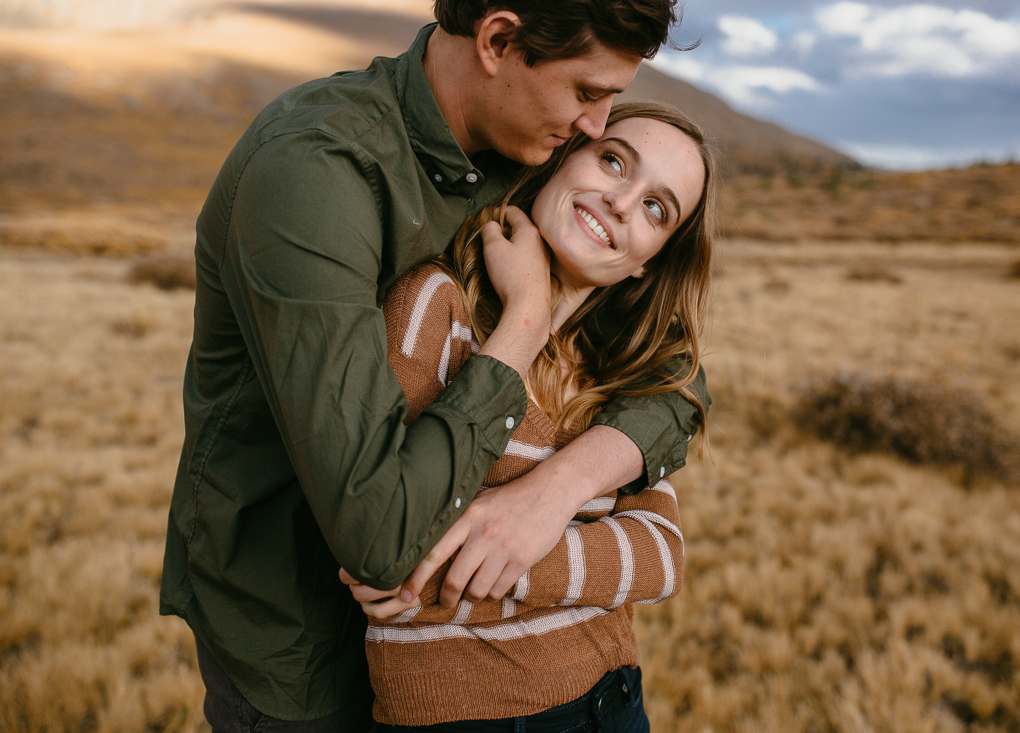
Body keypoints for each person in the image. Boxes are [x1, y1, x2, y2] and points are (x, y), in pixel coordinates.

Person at [160, 2, 709, 731]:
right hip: (300, 638)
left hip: (498, 670)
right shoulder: (315, 171)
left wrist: (554, 491)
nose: (597, 125)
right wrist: (521, 324)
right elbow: (384, 541)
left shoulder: (523, 156)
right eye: (586, 93)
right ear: (498, 39)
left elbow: (676, 383)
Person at [355, 101, 713, 731]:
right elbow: (387, 550)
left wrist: (518, 542)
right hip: (467, 717)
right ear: (561, 159)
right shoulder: (436, 308)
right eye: (612, 161)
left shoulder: (617, 372)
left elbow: (662, 554)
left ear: (647, 261)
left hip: (615, 703)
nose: (622, 203)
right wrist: (525, 311)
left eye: (657, 208)